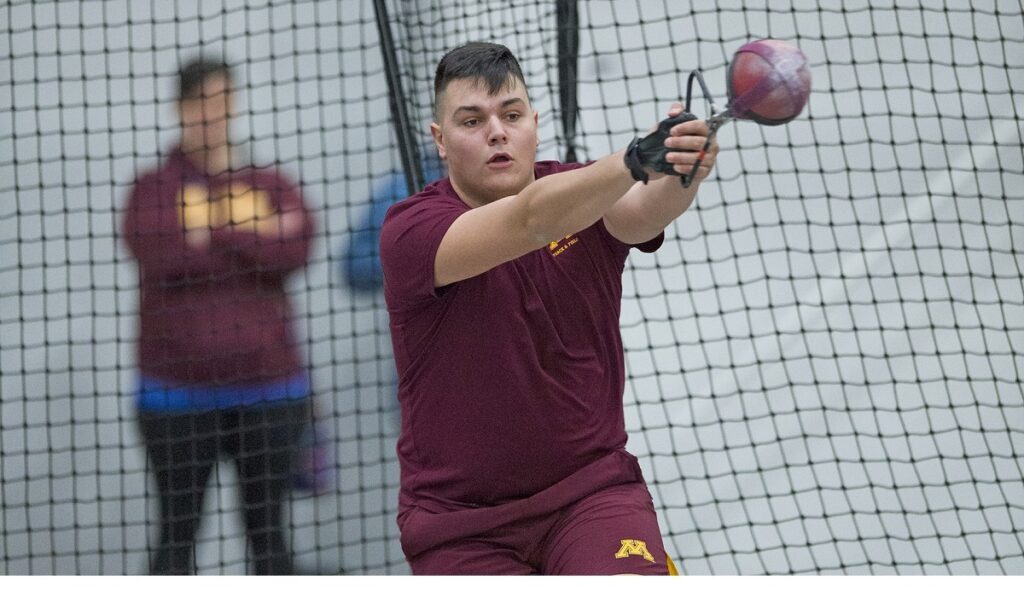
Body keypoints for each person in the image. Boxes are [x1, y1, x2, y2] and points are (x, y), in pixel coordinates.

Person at [379, 41, 718, 575]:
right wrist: (632, 160)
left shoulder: (579, 190)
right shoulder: (411, 231)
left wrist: (682, 171)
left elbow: (642, 215)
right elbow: (529, 221)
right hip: (461, 528)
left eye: (511, 115)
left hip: (592, 497)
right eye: (472, 121)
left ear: (534, 123)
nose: (497, 131)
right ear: (440, 141)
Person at [121, 57, 315, 575]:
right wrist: (253, 229)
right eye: (201, 101)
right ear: (180, 108)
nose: (214, 113)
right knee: (176, 540)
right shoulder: (153, 189)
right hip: (175, 400)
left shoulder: (269, 182)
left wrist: (213, 228)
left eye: (222, 100)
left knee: (270, 540)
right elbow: (161, 251)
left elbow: (296, 245)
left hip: (271, 394)